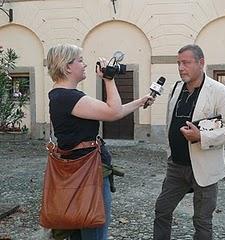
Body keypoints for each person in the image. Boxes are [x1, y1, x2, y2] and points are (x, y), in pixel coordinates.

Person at [47, 43, 154, 240]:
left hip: (80, 170)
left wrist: (139, 102)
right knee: (94, 228)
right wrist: (108, 79)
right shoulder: (68, 97)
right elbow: (112, 111)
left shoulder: (62, 96)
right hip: (87, 173)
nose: (85, 64)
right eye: (80, 60)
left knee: (80, 227)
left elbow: (114, 110)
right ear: (67, 66)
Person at [153, 44, 225, 240]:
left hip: (204, 167)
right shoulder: (176, 89)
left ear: (201, 63)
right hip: (176, 166)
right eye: (179, 63)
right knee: (162, 210)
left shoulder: (219, 91)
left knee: (202, 220)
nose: (181, 68)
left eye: (186, 63)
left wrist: (201, 137)